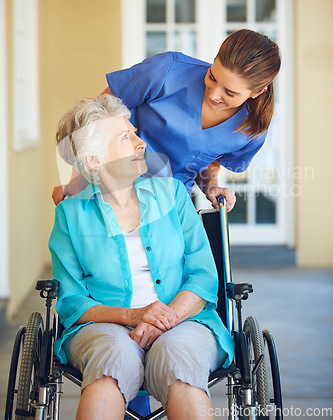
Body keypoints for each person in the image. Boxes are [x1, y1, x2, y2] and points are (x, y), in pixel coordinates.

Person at [49, 95, 235, 420]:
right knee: (111, 360)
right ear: (94, 160)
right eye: (126, 137)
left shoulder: (174, 194)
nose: (140, 143)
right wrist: (132, 317)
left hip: (185, 319)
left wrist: (165, 319)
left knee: (179, 358)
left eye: (134, 132)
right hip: (104, 325)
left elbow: (203, 274)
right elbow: (71, 300)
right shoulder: (71, 214)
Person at [52, 29, 281, 213]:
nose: (213, 94)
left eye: (229, 93)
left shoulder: (251, 130)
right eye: (212, 76)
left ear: (257, 92)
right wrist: (75, 186)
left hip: (169, 207)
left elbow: (208, 161)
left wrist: (211, 186)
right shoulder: (165, 71)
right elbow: (94, 121)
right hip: (109, 190)